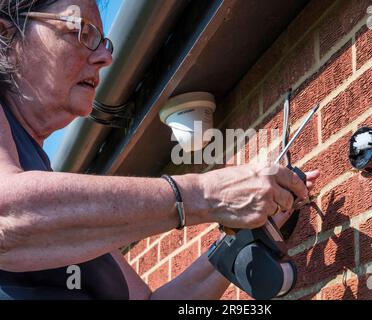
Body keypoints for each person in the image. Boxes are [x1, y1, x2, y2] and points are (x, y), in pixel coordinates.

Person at [0, 0, 319, 299]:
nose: (105, 57)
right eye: (81, 31)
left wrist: (242, 234)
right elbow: (7, 218)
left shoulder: (63, 206)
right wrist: (209, 193)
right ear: (7, 38)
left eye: (103, 41)